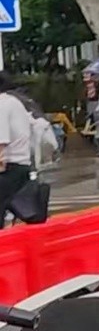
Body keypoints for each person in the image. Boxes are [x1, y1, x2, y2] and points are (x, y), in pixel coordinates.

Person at [0, 73, 33, 225]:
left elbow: (1, 141)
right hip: (22, 166)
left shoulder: (2, 104)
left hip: (10, 168)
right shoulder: (13, 102)